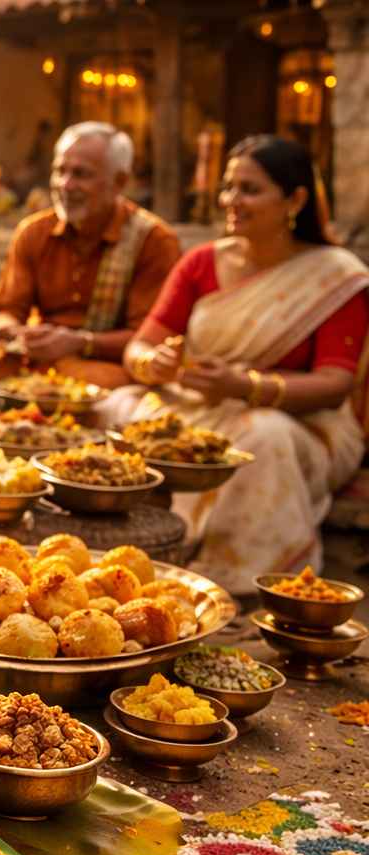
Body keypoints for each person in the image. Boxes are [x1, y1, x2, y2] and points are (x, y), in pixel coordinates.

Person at [105, 135, 368, 595]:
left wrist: (245, 385)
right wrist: (157, 363)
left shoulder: (333, 275)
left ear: (296, 199)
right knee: (112, 410)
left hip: (300, 422)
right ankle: (133, 550)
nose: (231, 200)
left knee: (262, 436)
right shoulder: (202, 262)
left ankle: (235, 576)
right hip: (195, 405)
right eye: (228, 187)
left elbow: (335, 383)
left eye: (250, 189)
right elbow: (139, 349)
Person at [0, 122, 181, 390]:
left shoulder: (154, 242)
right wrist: (20, 333)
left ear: (119, 182)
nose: (65, 184)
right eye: (59, 171)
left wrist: (80, 342)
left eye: (81, 174)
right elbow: (5, 312)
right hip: (31, 355)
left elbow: (149, 339)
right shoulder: (33, 232)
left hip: (101, 366)